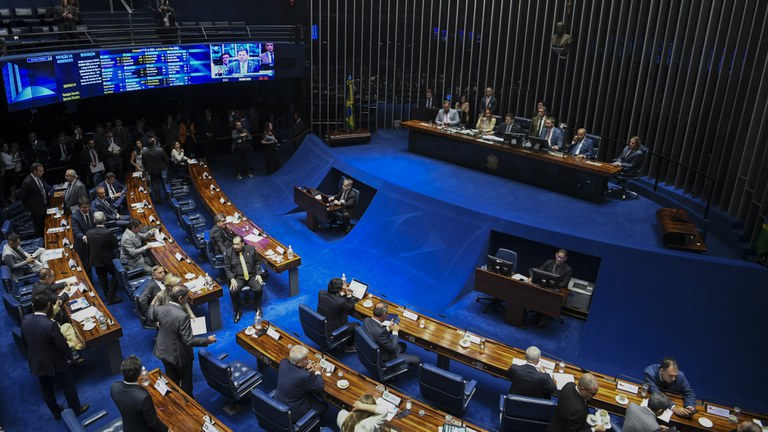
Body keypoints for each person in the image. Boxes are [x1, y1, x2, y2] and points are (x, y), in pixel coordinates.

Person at [21, 293, 89, 421]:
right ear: (48, 306)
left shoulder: (25, 321)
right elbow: (62, 346)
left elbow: (25, 343)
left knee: (47, 390)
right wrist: (71, 357)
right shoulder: (49, 324)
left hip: (37, 362)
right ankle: (76, 409)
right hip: (55, 362)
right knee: (68, 386)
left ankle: (56, 413)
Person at [148, 285, 216, 397]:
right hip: (179, 356)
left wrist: (153, 302)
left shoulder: (160, 309)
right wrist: (207, 340)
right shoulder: (182, 316)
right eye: (186, 297)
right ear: (180, 299)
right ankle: (189, 403)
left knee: (172, 381)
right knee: (186, 383)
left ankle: (176, 401)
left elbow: (150, 316)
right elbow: (189, 341)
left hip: (163, 351)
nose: (187, 299)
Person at [110, 355, 169, 432]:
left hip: (127, 427)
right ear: (140, 374)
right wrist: (167, 430)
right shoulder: (143, 397)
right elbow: (153, 423)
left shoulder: (114, 387)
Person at [275, 345, 328, 420]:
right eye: (305, 358)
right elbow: (319, 387)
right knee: (324, 406)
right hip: (293, 410)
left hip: (279, 401)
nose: (308, 360)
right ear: (297, 362)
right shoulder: (304, 376)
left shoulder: (283, 362)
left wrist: (304, 367)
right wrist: (318, 371)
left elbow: (295, 372)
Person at [363, 302, 420, 367]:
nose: (388, 315)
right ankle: (396, 365)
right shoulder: (380, 333)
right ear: (384, 314)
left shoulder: (367, 320)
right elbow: (393, 348)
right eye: (387, 313)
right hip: (384, 356)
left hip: (374, 348)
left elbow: (377, 331)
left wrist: (388, 328)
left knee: (403, 345)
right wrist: (395, 331)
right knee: (417, 360)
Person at [224, 236, 265, 323]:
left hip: (251, 276)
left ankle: (257, 306)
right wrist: (231, 278)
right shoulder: (229, 253)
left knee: (259, 288)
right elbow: (227, 268)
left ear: (242, 243)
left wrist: (259, 274)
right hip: (238, 277)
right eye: (234, 244)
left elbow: (257, 263)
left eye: (237, 244)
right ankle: (237, 310)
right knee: (233, 291)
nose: (235, 246)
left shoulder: (251, 249)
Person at [86, 212, 121, 304]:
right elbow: (115, 245)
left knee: (102, 278)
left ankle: (107, 295)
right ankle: (111, 296)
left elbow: (89, 246)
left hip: (96, 260)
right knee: (116, 275)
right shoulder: (108, 232)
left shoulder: (89, 233)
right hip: (108, 259)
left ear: (94, 221)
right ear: (105, 220)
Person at [317, 277, 359, 352]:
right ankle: (348, 346)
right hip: (332, 330)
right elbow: (351, 306)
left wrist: (341, 294)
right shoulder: (340, 302)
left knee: (344, 313)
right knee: (356, 325)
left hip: (321, 325)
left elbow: (334, 299)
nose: (346, 285)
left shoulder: (321, 293)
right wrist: (348, 295)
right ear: (340, 290)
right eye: (344, 285)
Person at [20, 162, 52, 236]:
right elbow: (23, 198)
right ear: (35, 172)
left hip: (43, 206)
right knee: (39, 228)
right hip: (36, 210)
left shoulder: (39, 178)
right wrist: (32, 207)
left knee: (46, 225)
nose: (43, 172)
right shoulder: (27, 182)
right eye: (41, 171)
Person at [142, 138, 169, 204]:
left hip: (152, 171)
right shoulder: (160, 150)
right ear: (154, 143)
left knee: (155, 185)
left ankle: (158, 200)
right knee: (165, 183)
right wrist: (167, 167)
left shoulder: (144, 152)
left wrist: (146, 170)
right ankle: (168, 197)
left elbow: (144, 163)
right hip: (161, 169)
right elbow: (166, 159)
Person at [71, 198, 96, 266]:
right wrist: (84, 237)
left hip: (94, 243)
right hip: (83, 245)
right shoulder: (75, 217)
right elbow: (76, 232)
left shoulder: (94, 212)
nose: (87, 209)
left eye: (88, 207)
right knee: (86, 266)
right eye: (84, 208)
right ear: (79, 207)